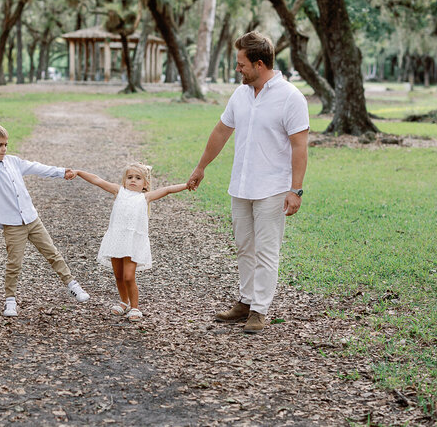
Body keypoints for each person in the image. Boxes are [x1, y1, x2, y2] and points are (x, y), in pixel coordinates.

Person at [187, 31, 309, 334]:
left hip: (273, 188)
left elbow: (300, 146)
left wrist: (296, 190)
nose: (237, 69)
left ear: (259, 63)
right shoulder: (240, 94)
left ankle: (259, 309)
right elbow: (220, 131)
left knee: (267, 250)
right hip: (241, 185)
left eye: (241, 64)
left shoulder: (291, 97)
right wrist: (201, 166)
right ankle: (245, 300)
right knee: (244, 246)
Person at [0, 125, 90, 317]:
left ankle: (72, 284)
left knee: (52, 253)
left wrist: (61, 172)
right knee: (15, 263)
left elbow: (37, 167)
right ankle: (10, 300)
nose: (4, 149)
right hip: (12, 224)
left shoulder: (13, 161)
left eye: (6, 144)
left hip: (31, 218)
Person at [74, 163, 188, 322]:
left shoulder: (145, 197)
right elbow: (97, 180)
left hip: (132, 242)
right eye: (130, 177)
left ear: (145, 184)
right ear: (124, 180)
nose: (133, 180)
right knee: (119, 275)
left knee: (129, 276)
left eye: (138, 178)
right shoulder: (118, 191)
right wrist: (79, 172)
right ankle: (123, 302)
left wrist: (187, 185)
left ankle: (135, 307)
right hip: (116, 239)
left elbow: (168, 189)